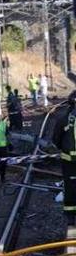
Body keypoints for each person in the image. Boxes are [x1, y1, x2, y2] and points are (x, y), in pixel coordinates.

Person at [53, 91, 76, 225]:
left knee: (70, 186)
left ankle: (71, 216)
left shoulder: (64, 118)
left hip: (68, 161)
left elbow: (56, 140)